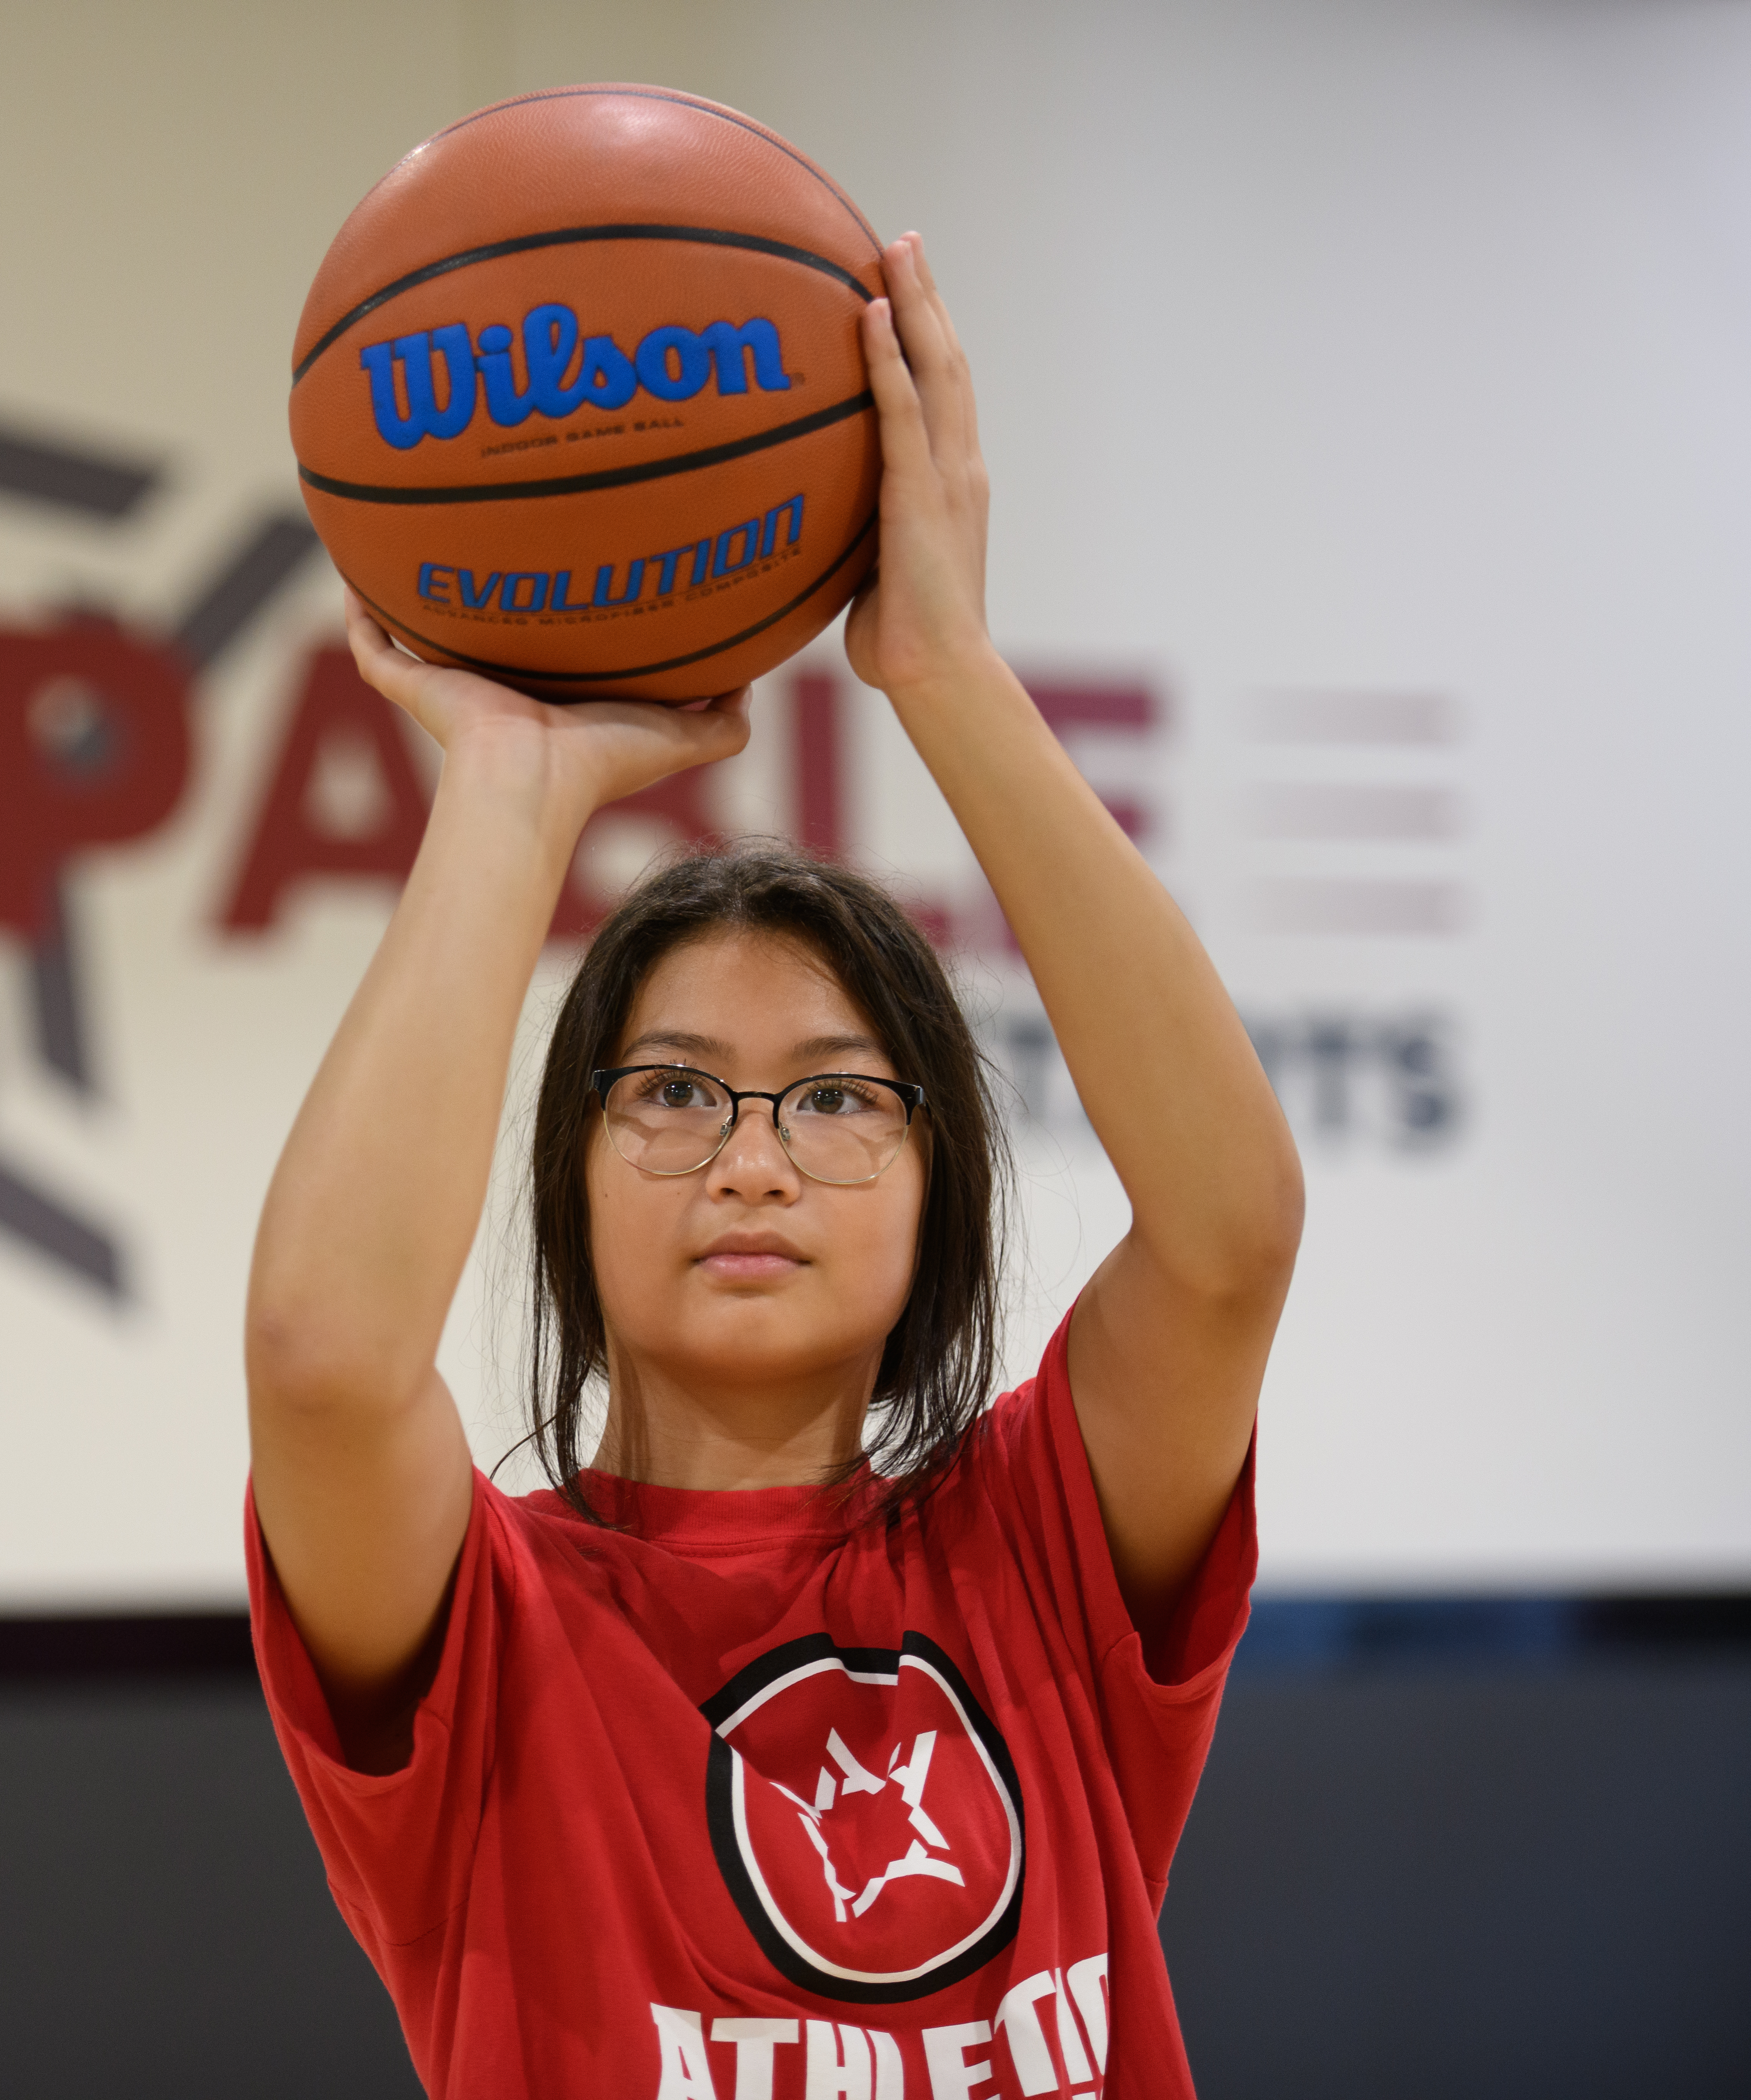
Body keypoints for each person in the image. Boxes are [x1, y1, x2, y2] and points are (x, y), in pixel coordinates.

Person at [242, 232, 1301, 2098]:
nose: (752, 1156)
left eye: (835, 1097)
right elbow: (330, 1356)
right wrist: (507, 782)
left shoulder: (1041, 1545)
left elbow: (1229, 1236)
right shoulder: (481, 1626)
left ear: (936, 1188)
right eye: (669, 1090)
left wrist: (947, 670)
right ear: (565, 1180)